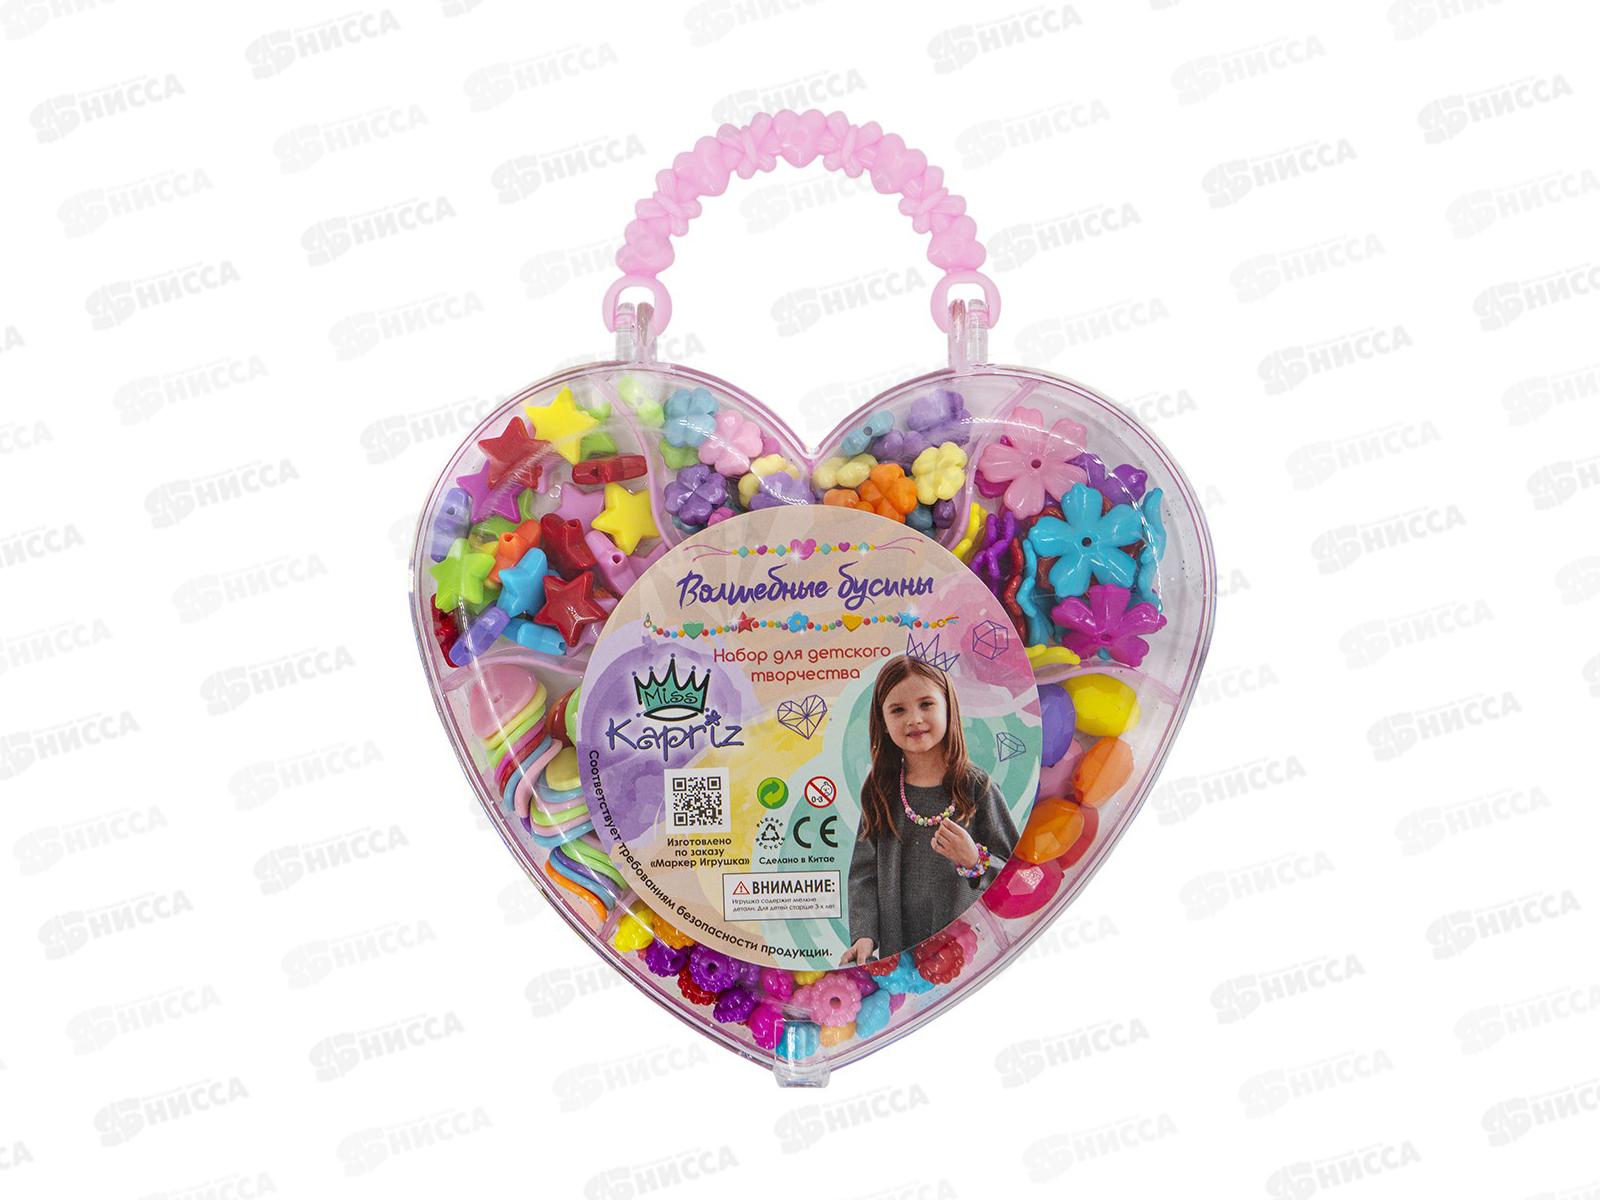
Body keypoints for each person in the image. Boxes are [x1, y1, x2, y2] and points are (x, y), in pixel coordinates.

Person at [839, 654, 1017, 965]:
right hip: (901, 954)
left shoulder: (977, 787)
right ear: (883, 721)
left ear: (949, 707)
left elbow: (1015, 873)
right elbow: (864, 874)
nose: (914, 718)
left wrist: (974, 860)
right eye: (898, 710)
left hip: (968, 953)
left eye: (926, 704)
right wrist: (864, 935)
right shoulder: (881, 790)